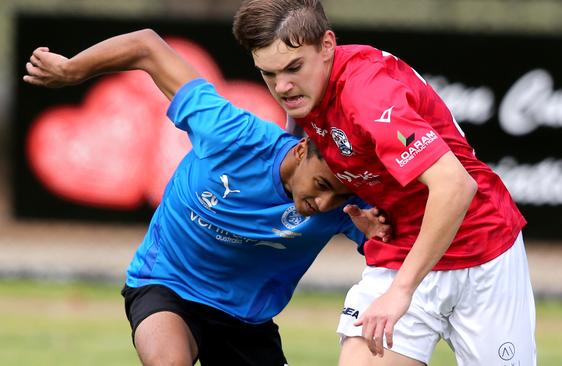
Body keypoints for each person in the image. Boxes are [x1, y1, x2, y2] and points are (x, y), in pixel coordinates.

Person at [23, 29, 393, 366]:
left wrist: (380, 237)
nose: (325, 205)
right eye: (323, 186)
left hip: (247, 321)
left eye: (339, 195)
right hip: (167, 284)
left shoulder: (351, 205)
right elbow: (146, 46)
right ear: (301, 151)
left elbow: (401, 247)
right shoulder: (232, 134)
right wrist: (72, 70)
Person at [232, 1, 536, 365]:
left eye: (293, 67)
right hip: (398, 249)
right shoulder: (305, 91)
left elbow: (456, 186)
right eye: (268, 74)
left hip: (480, 251)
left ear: (327, 45)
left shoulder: (367, 94)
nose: (282, 86)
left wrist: (401, 291)